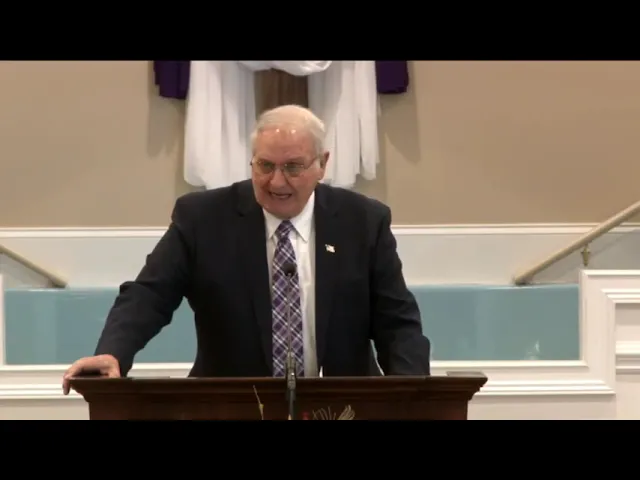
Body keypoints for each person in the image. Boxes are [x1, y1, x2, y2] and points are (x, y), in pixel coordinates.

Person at [62, 104, 431, 394]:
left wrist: (413, 396)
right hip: (228, 405)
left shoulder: (363, 221)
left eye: (293, 167)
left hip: (344, 406)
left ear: (322, 164)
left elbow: (397, 322)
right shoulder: (203, 219)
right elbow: (149, 294)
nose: (277, 181)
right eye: (265, 165)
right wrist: (112, 352)